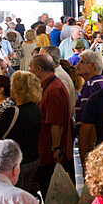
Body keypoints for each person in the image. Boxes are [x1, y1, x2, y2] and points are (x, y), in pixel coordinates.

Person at [0, 71, 43, 196]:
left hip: (14, 164)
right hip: (32, 159)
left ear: (17, 88)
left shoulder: (12, 112)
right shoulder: (35, 109)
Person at [30, 54, 74, 195]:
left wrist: (55, 148)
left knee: (51, 191)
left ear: (38, 69)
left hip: (50, 151)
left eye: (31, 67)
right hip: (46, 149)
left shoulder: (53, 89)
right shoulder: (49, 85)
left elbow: (56, 123)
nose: (29, 71)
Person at [45, 45, 77, 120]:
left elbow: (60, 108)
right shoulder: (55, 74)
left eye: (41, 57)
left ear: (50, 59)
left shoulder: (59, 77)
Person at [75, 49, 103, 121]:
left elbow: (86, 116)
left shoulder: (91, 85)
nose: (77, 66)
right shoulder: (102, 82)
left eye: (82, 62)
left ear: (93, 65)